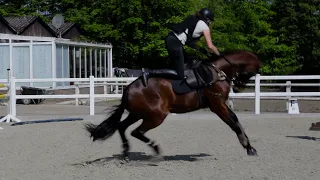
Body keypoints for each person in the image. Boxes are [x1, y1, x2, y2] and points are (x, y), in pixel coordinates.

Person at [141, 8, 223, 86]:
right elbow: (210, 46)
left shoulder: (194, 20)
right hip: (175, 43)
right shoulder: (204, 26)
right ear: (207, 19)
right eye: (210, 21)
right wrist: (220, 55)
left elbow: (189, 43)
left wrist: (202, 51)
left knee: (187, 65)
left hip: (172, 39)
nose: (210, 23)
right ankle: (149, 72)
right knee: (179, 74)